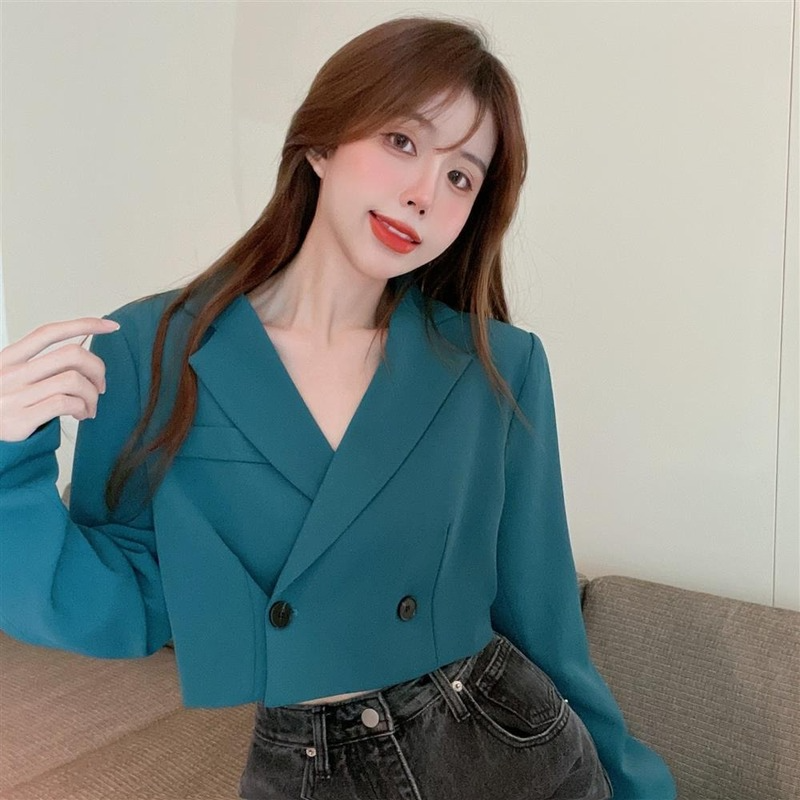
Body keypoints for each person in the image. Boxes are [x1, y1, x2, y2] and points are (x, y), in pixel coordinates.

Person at [0, 15, 677, 800]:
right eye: (402, 141)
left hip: (506, 747)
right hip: (307, 760)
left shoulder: (497, 366)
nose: (424, 193)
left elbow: (546, 621)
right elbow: (120, 599)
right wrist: (8, 463)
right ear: (320, 144)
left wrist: (634, 785)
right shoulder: (151, 349)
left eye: (461, 177)